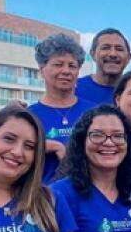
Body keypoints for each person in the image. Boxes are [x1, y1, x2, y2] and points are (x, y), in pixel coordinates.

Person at [27, 32, 93, 183]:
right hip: (42, 198)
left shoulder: (93, 113)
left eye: (72, 66)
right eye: (58, 64)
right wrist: (50, 146)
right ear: (42, 69)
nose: (66, 71)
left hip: (85, 195)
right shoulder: (28, 115)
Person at [77, 28, 131, 105]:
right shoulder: (74, 88)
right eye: (105, 48)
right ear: (93, 54)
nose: (113, 54)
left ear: (129, 57)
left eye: (119, 49)